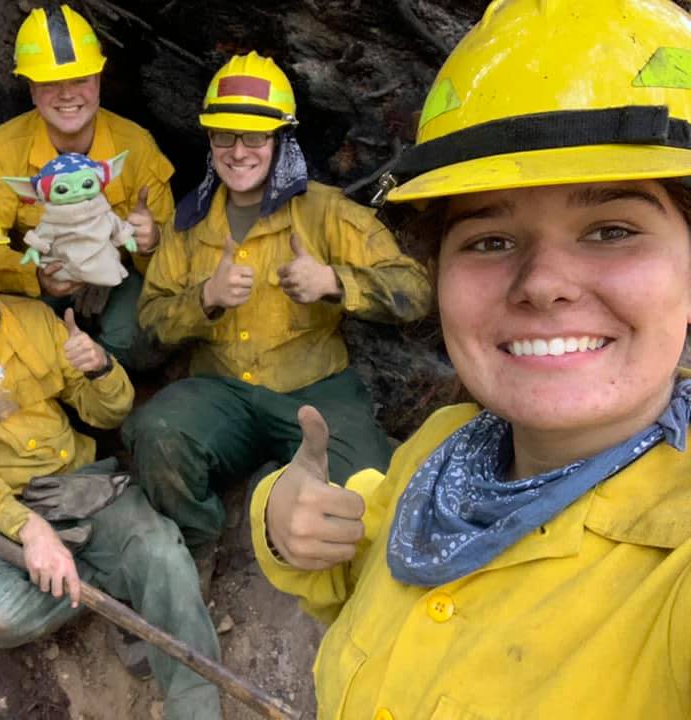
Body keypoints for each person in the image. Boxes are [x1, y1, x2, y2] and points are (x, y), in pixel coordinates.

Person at [251, 1, 691, 718]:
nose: (544, 283)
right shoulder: (442, 454)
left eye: (611, 230)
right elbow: (362, 551)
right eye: (489, 240)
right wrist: (280, 518)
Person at [0, 180, 221, 720]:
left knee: (162, 555)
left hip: (81, 488)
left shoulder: (34, 319)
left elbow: (109, 414)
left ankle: (194, 703)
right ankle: (112, 581)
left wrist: (98, 367)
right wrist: (29, 530)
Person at [122, 52, 432, 551]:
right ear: (210, 140)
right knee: (157, 432)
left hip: (317, 389)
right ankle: (202, 542)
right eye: (225, 135)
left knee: (365, 490)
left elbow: (413, 291)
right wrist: (205, 298)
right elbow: (144, 338)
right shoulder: (189, 224)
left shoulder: (325, 210)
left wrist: (333, 281)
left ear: (280, 140)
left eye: (255, 137)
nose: (238, 151)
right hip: (220, 392)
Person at [0, 4, 174, 371]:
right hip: (41, 286)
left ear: (98, 80)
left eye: (79, 79)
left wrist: (150, 243)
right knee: (22, 347)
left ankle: (113, 392)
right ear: (31, 90)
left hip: (116, 277)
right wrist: (37, 277)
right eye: (49, 83)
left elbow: (177, 262)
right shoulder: (3, 150)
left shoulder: (135, 146)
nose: (66, 95)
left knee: (137, 338)